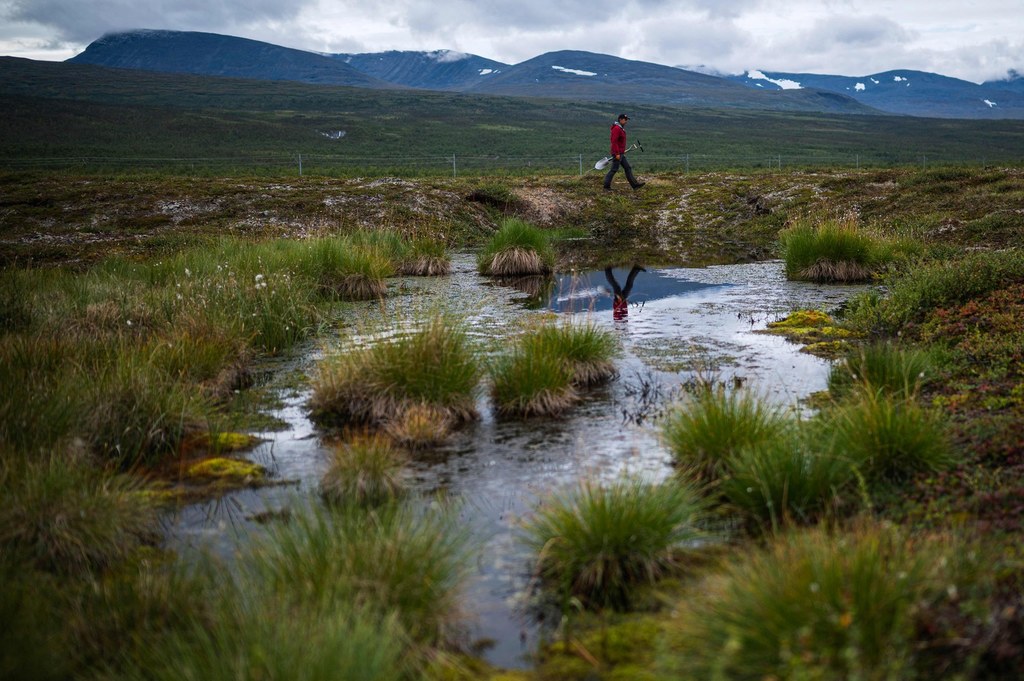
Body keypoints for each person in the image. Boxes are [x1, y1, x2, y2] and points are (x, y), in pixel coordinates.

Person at [603, 114, 645, 191]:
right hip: (617, 153)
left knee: (628, 168)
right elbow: (614, 141)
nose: (626, 122)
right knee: (614, 169)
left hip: (621, 153)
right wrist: (617, 153)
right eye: (625, 120)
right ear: (621, 120)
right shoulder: (617, 128)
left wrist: (621, 152)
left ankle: (635, 185)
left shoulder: (620, 128)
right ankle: (606, 186)